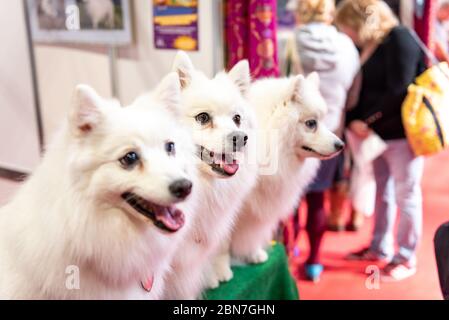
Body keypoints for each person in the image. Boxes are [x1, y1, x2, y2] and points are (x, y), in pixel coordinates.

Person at [335, 0, 426, 282]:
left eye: (348, 27)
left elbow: (399, 90)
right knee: (383, 193)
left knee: (406, 195)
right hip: (381, 135)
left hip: (401, 135)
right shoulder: (378, 43)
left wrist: (369, 120)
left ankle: (406, 257)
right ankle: (380, 247)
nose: (348, 34)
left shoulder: (399, 38)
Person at [290, 0, 359, 282]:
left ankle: (290, 250)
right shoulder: (346, 45)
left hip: (295, 136)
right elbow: (355, 90)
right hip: (330, 131)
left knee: (290, 200)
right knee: (318, 200)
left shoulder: (291, 41)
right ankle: (315, 262)